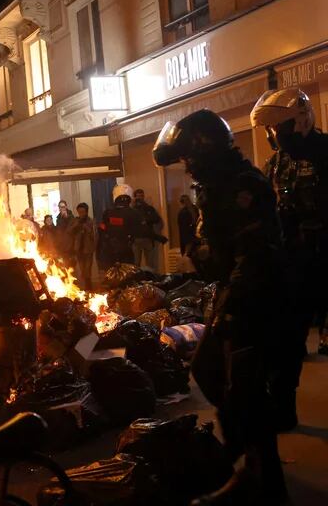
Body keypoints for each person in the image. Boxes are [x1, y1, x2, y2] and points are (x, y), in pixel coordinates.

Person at [153, 109, 288, 505]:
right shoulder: (214, 186)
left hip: (259, 299)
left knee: (247, 393)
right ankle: (242, 458)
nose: (187, 167)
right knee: (207, 368)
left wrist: (233, 307)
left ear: (205, 150)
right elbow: (216, 255)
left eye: (189, 158)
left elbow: (256, 255)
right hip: (235, 294)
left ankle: (263, 484)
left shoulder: (244, 185)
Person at [251, 88, 328, 430]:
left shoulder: (326, 151)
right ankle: (283, 407)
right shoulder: (275, 164)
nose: (274, 135)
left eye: (278, 127)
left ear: (300, 120)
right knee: (288, 339)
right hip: (296, 263)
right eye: (271, 129)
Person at [97, 184, 143, 271]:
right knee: (128, 273)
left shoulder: (108, 212)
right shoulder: (133, 213)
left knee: (113, 274)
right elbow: (139, 230)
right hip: (126, 248)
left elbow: (102, 230)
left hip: (111, 248)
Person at [131, 189, 166, 270]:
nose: (140, 198)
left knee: (150, 263)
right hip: (136, 239)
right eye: (138, 196)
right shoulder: (132, 210)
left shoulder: (149, 208)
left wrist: (146, 219)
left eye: (142, 196)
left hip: (148, 238)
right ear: (135, 197)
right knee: (136, 263)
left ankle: (151, 278)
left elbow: (156, 219)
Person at [70, 203, 96, 290]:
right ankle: (85, 286)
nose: (81, 214)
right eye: (79, 212)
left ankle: (89, 286)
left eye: (82, 212)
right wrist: (76, 225)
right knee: (82, 268)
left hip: (88, 249)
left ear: (86, 212)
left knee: (87, 268)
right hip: (78, 249)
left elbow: (95, 235)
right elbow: (69, 232)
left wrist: (87, 228)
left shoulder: (91, 221)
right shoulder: (75, 221)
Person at [54, 200, 75, 266]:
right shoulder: (58, 218)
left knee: (71, 265)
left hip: (70, 245)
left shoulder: (70, 216)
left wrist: (66, 218)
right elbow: (58, 230)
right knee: (64, 265)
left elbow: (72, 228)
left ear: (66, 207)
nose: (61, 208)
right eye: (60, 207)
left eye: (63, 207)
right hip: (61, 245)